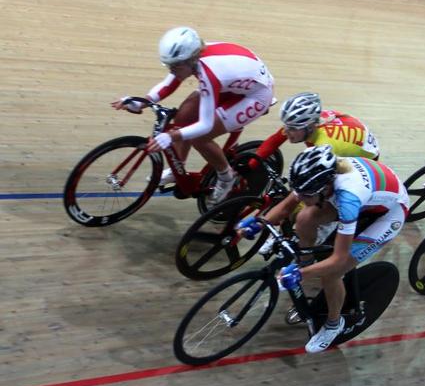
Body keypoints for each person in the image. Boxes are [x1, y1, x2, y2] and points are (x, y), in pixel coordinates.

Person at [238, 145, 409, 353]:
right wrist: (259, 222)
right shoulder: (316, 174)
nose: (300, 198)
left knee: (333, 273)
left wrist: (300, 275)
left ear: (324, 188)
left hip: (391, 213)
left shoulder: (348, 198)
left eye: (306, 194)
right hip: (371, 193)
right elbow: (286, 206)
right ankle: (306, 261)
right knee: (304, 218)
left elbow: (338, 259)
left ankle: (334, 324)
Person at [111, 26, 275, 204]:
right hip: (233, 83)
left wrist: (171, 136)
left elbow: (205, 125)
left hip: (256, 96)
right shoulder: (192, 60)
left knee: (200, 137)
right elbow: (170, 83)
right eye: (168, 65)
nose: (171, 70)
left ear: (190, 60)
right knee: (182, 118)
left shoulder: (208, 74)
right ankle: (177, 170)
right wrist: (143, 101)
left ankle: (226, 176)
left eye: (175, 66)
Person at [253, 91, 381, 255]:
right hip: (348, 136)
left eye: (292, 128)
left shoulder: (325, 145)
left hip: (359, 158)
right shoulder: (303, 123)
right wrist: (252, 163)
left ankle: (326, 225)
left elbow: (306, 192)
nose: (287, 131)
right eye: (286, 125)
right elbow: (275, 139)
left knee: (316, 192)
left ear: (310, 126)